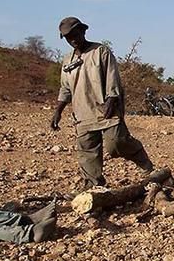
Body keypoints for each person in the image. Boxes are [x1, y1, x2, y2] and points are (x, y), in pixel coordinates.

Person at [51, 17, 154, 190]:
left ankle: (145, 164)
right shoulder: (67, 60)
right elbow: (65, 88)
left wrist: (112, 100)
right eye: (68, 38)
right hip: (82, 113)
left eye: (75, 34)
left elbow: (113, 78)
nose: (73, 40)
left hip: (105, 108)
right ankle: (93, 185)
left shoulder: (100, 51)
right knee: (87, 151)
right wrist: (58, 112)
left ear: (83, 31)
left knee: (116, 144)